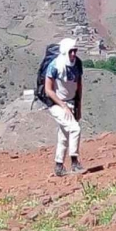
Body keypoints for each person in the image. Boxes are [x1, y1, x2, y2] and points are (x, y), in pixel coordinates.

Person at [44, 37, 83, 177]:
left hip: (71, 102)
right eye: (71, 51)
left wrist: (78, 106)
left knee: (64, 134)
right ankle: (75, 162)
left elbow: (78, 85)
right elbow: (48, 90)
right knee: (75, 128)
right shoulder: (54, 66)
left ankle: (59, 165)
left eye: (75, 51)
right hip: (56, 103)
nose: (73, 54)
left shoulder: (77, 64)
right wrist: (63, 105)